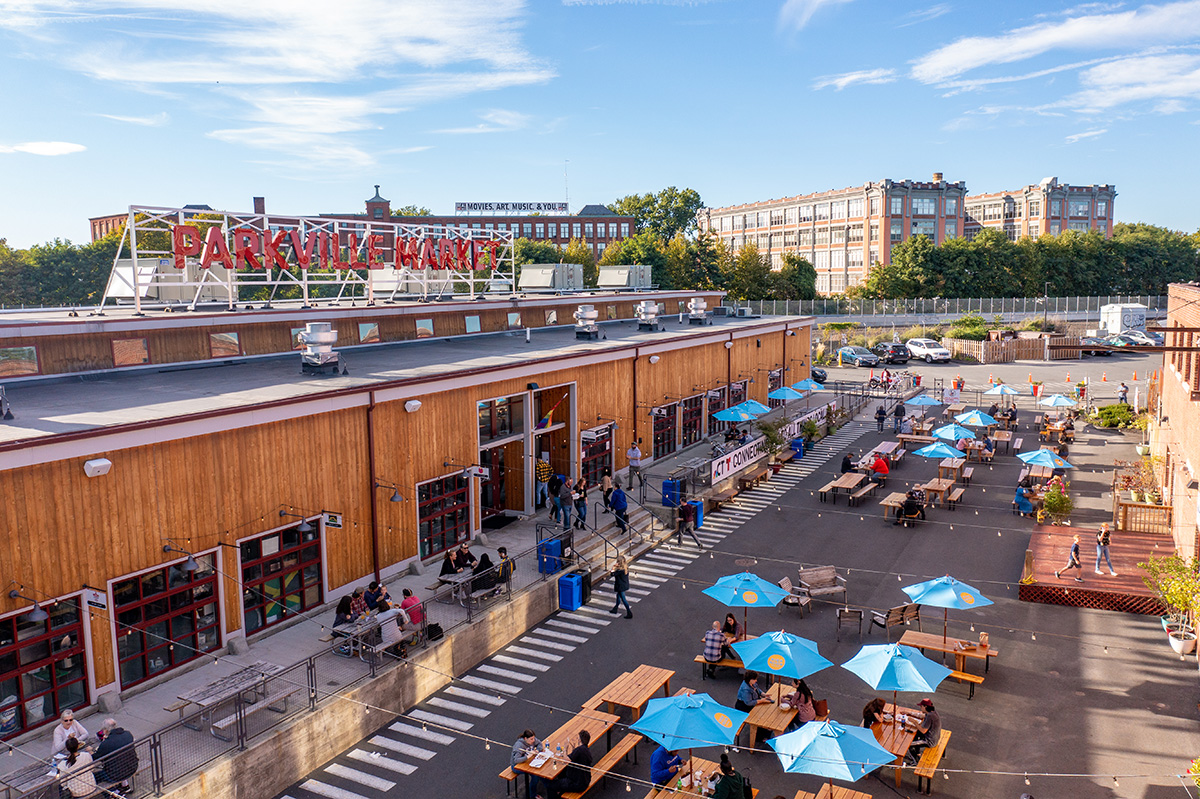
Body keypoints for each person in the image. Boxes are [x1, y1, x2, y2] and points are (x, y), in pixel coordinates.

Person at [94, 717, 137, 789]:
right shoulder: (128, 734)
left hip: (115, 775)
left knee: (95, 777)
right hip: (133, 767)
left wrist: (90, 751)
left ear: (105, 730)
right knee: (120, 762)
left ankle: (114, 792)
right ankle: (125, 786)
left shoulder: (106, 744)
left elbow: (95, 757)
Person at [547, 730, 592, 799]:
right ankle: (561, 791)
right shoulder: (586, 750)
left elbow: (566, 760)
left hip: (577, 783)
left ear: (580, 740)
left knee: (551, 786)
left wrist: (565, 748)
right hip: (586, 780)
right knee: (562, 773)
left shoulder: (579, 750)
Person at [510, 729, 547, 799]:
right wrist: (527, 757)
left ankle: (549, 786)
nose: (533, 741)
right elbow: (516, 760)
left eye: (533, 738)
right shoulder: (519, 746)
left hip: (528, 763)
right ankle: (532, 795)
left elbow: (539, 743)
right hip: (516, 766)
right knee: (535, 774)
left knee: (541, 769)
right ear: (525, 739)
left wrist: (537, 750)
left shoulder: (532, 740)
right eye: (531, 739)